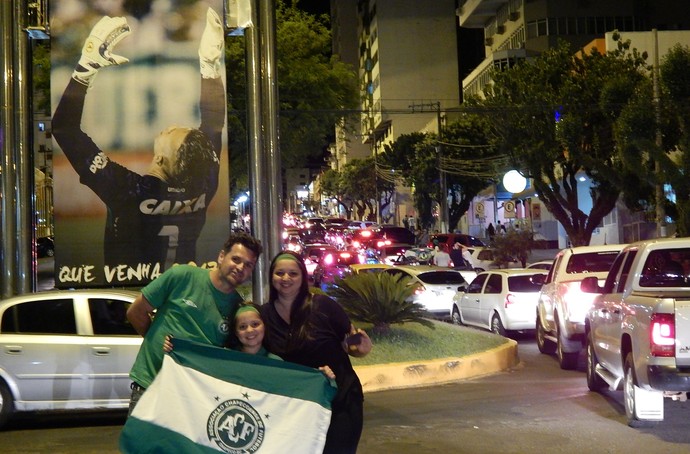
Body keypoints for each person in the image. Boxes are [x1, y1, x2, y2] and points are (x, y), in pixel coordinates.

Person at [52, 9, 226, 272]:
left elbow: (64, 128)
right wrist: (210, 66)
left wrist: (85, 69)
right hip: (178, 293)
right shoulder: (199, 187)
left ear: (161, 158)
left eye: (171, 134)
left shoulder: (130, 191)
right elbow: (212, 124)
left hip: (128, 297)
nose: (172, 127)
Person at [125, 231, 263, 414]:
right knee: (139, 443)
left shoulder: (237, 307)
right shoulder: (182, 276)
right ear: (222, 256)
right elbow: (136, 312)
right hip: (151, 385)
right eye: (236, 259)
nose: (240, 267)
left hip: (193, 398)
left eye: (248, 265)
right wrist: (156, 340)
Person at [260, 251, 373, 454]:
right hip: (297, 406)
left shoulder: (323, 306)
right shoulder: (264, 316)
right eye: (280, 273)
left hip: (341, 401)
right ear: (271, 276)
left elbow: (351, 343)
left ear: (303, 277)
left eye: (293, 274)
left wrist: (361, 349)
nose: (286, 279)